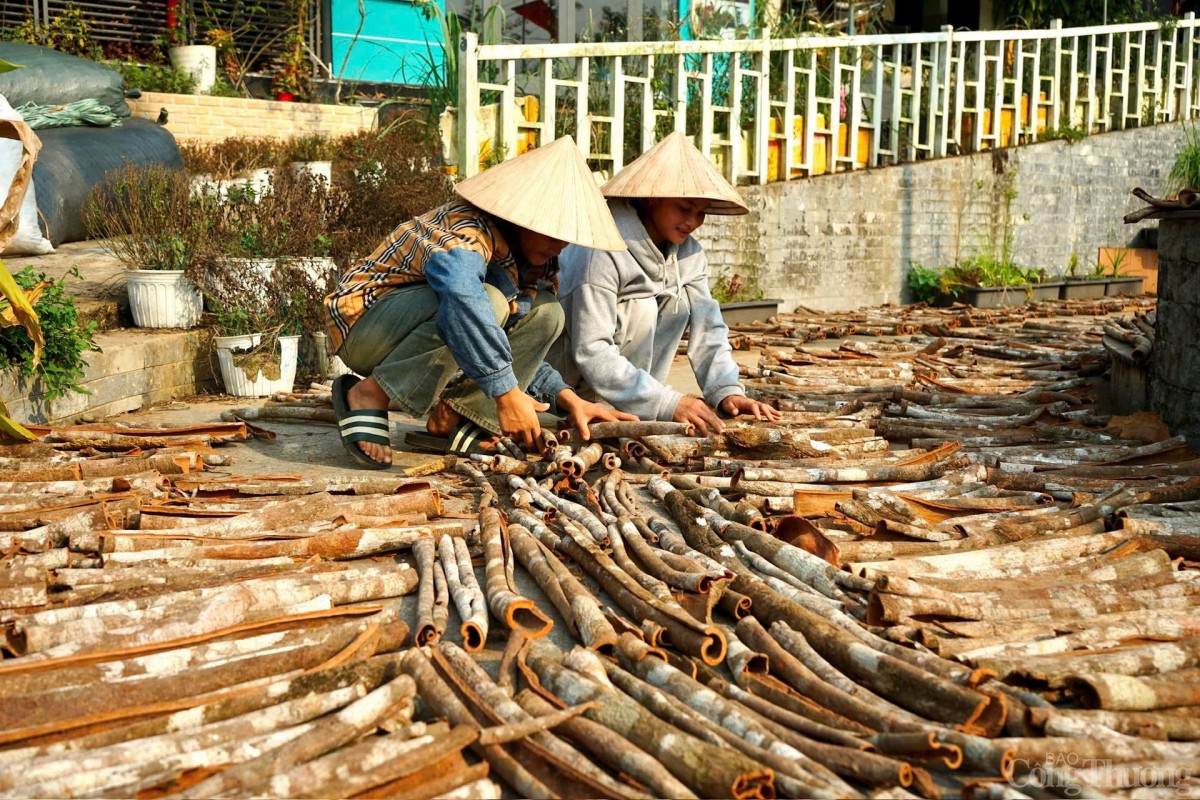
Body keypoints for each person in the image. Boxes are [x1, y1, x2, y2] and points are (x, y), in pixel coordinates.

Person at [325, 136, 636, 469]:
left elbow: (506, 342)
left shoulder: (533, 265)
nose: (560, 246)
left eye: (566, 237)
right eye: (551, 232)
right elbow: (462, 297)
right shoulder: (467, 230)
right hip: (364, 329)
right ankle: (370, 393)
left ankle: (455, 415)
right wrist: (506, 394)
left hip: (412, 332)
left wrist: (566, 397)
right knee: (487, 301)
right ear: (519, 217)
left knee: (547, 312)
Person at [550, 131, 781, 435]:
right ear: (651, 198)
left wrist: (727, 390)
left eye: (701, 212)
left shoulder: (689, 255)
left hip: (633, 389)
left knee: (678, 305)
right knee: (643, 306)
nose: (692, 222)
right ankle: (620, 405)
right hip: (568, 386)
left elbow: (709, 327)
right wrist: (667, 403)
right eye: (684, 208)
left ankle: (640, 403)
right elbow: (591, 348)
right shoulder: (601, 248)